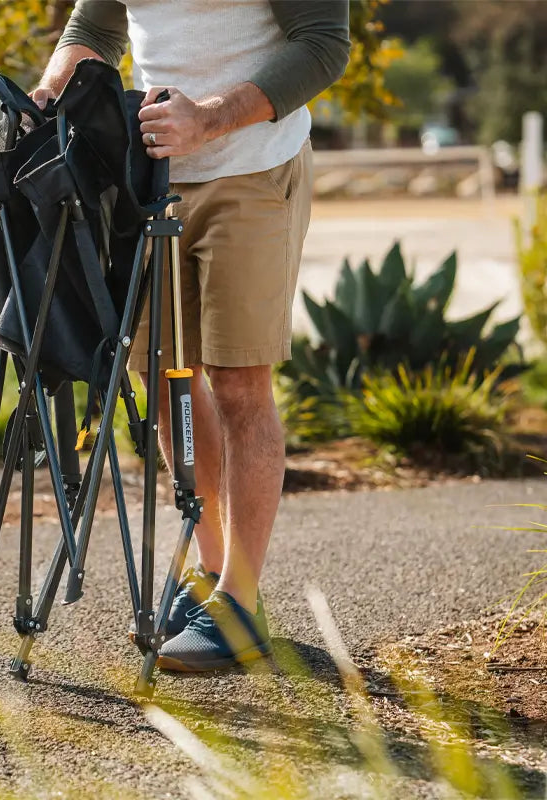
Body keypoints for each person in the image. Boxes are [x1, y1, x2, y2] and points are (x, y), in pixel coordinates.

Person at [34, 0, 350, 671]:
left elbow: (324, 44)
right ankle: (207, 572)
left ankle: (240, 604)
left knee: (239, 383)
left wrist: (209, 117)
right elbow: (94, 30)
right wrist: (47, 92)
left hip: (255, 167)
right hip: (154, 178)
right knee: (167, 373)